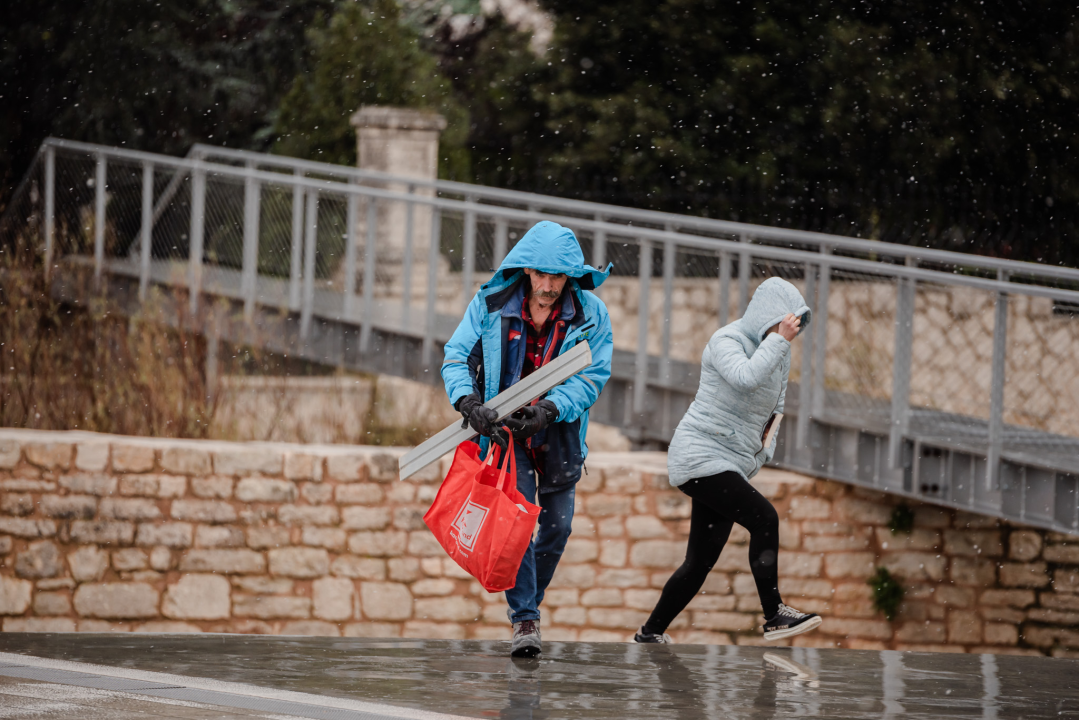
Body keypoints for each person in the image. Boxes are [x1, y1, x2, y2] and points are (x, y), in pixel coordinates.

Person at [442, 220, 613, 658]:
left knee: (558, 529)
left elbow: (593, 376)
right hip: (504, 436)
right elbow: (456, 357)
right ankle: (525, 621)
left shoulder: (591, 313)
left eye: (559, 276)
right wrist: (468, 403)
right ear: (526, 271)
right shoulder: (491, 304)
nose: (550, 285)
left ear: (571, 276)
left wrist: (549, 410)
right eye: (542, 274)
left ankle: (526, 607)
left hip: (558, 430)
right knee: (515, 527)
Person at [635, 277, 822, 644]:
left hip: (728, 463)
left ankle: (650, 633)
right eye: (783, 325)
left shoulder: (776, 349)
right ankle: (774, 615)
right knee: (765, 518)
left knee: (699, 562)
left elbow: (775, 407)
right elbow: (746, 378)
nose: (787, 334)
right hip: (700, 456)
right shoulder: (727, 340)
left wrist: (761, 454)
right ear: (768, 316)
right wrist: (779, 340)